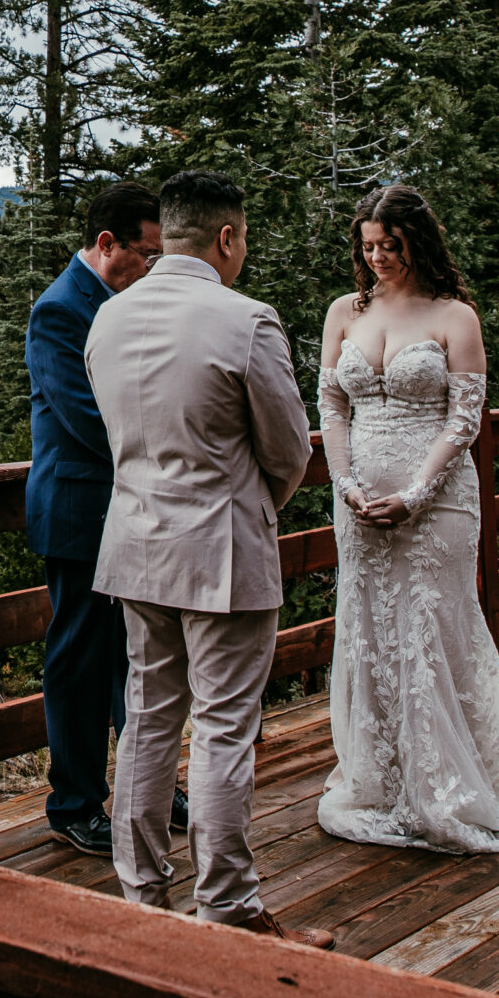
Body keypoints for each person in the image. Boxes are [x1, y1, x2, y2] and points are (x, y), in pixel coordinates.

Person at [85, 169, 333, 948]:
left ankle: (140, 892)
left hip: (134, 546)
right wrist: (254, 505)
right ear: (226, 238)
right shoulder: (246, 321)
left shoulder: (108, 320)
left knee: (150, 722)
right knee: (226, 726)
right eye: (244, 238)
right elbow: (290, 450)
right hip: (224, 550)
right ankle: (227, 905)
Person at [315, 183, 499, 854]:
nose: (378, 256)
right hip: (356, 505)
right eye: (369, 246)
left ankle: (444, 787)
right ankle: (380, 782)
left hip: (436, 503)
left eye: (391, 245)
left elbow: (464, 420)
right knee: (370, 630)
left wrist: (413, 494)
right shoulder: (344, 312)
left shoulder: (454, 316)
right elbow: (330, 406)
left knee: (429, 626)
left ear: (418, 241)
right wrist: (346, 484)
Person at [24, 180, 166, 856]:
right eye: (145, 253)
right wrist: (166, 444)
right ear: (107, 244)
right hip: (80, 506)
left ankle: (146, 789)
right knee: (79, 661)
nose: (152, 267)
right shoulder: (59, 310)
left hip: (129, 504)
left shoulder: (126, 301)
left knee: (133, 658)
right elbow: (85, 416)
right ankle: (74, 802)